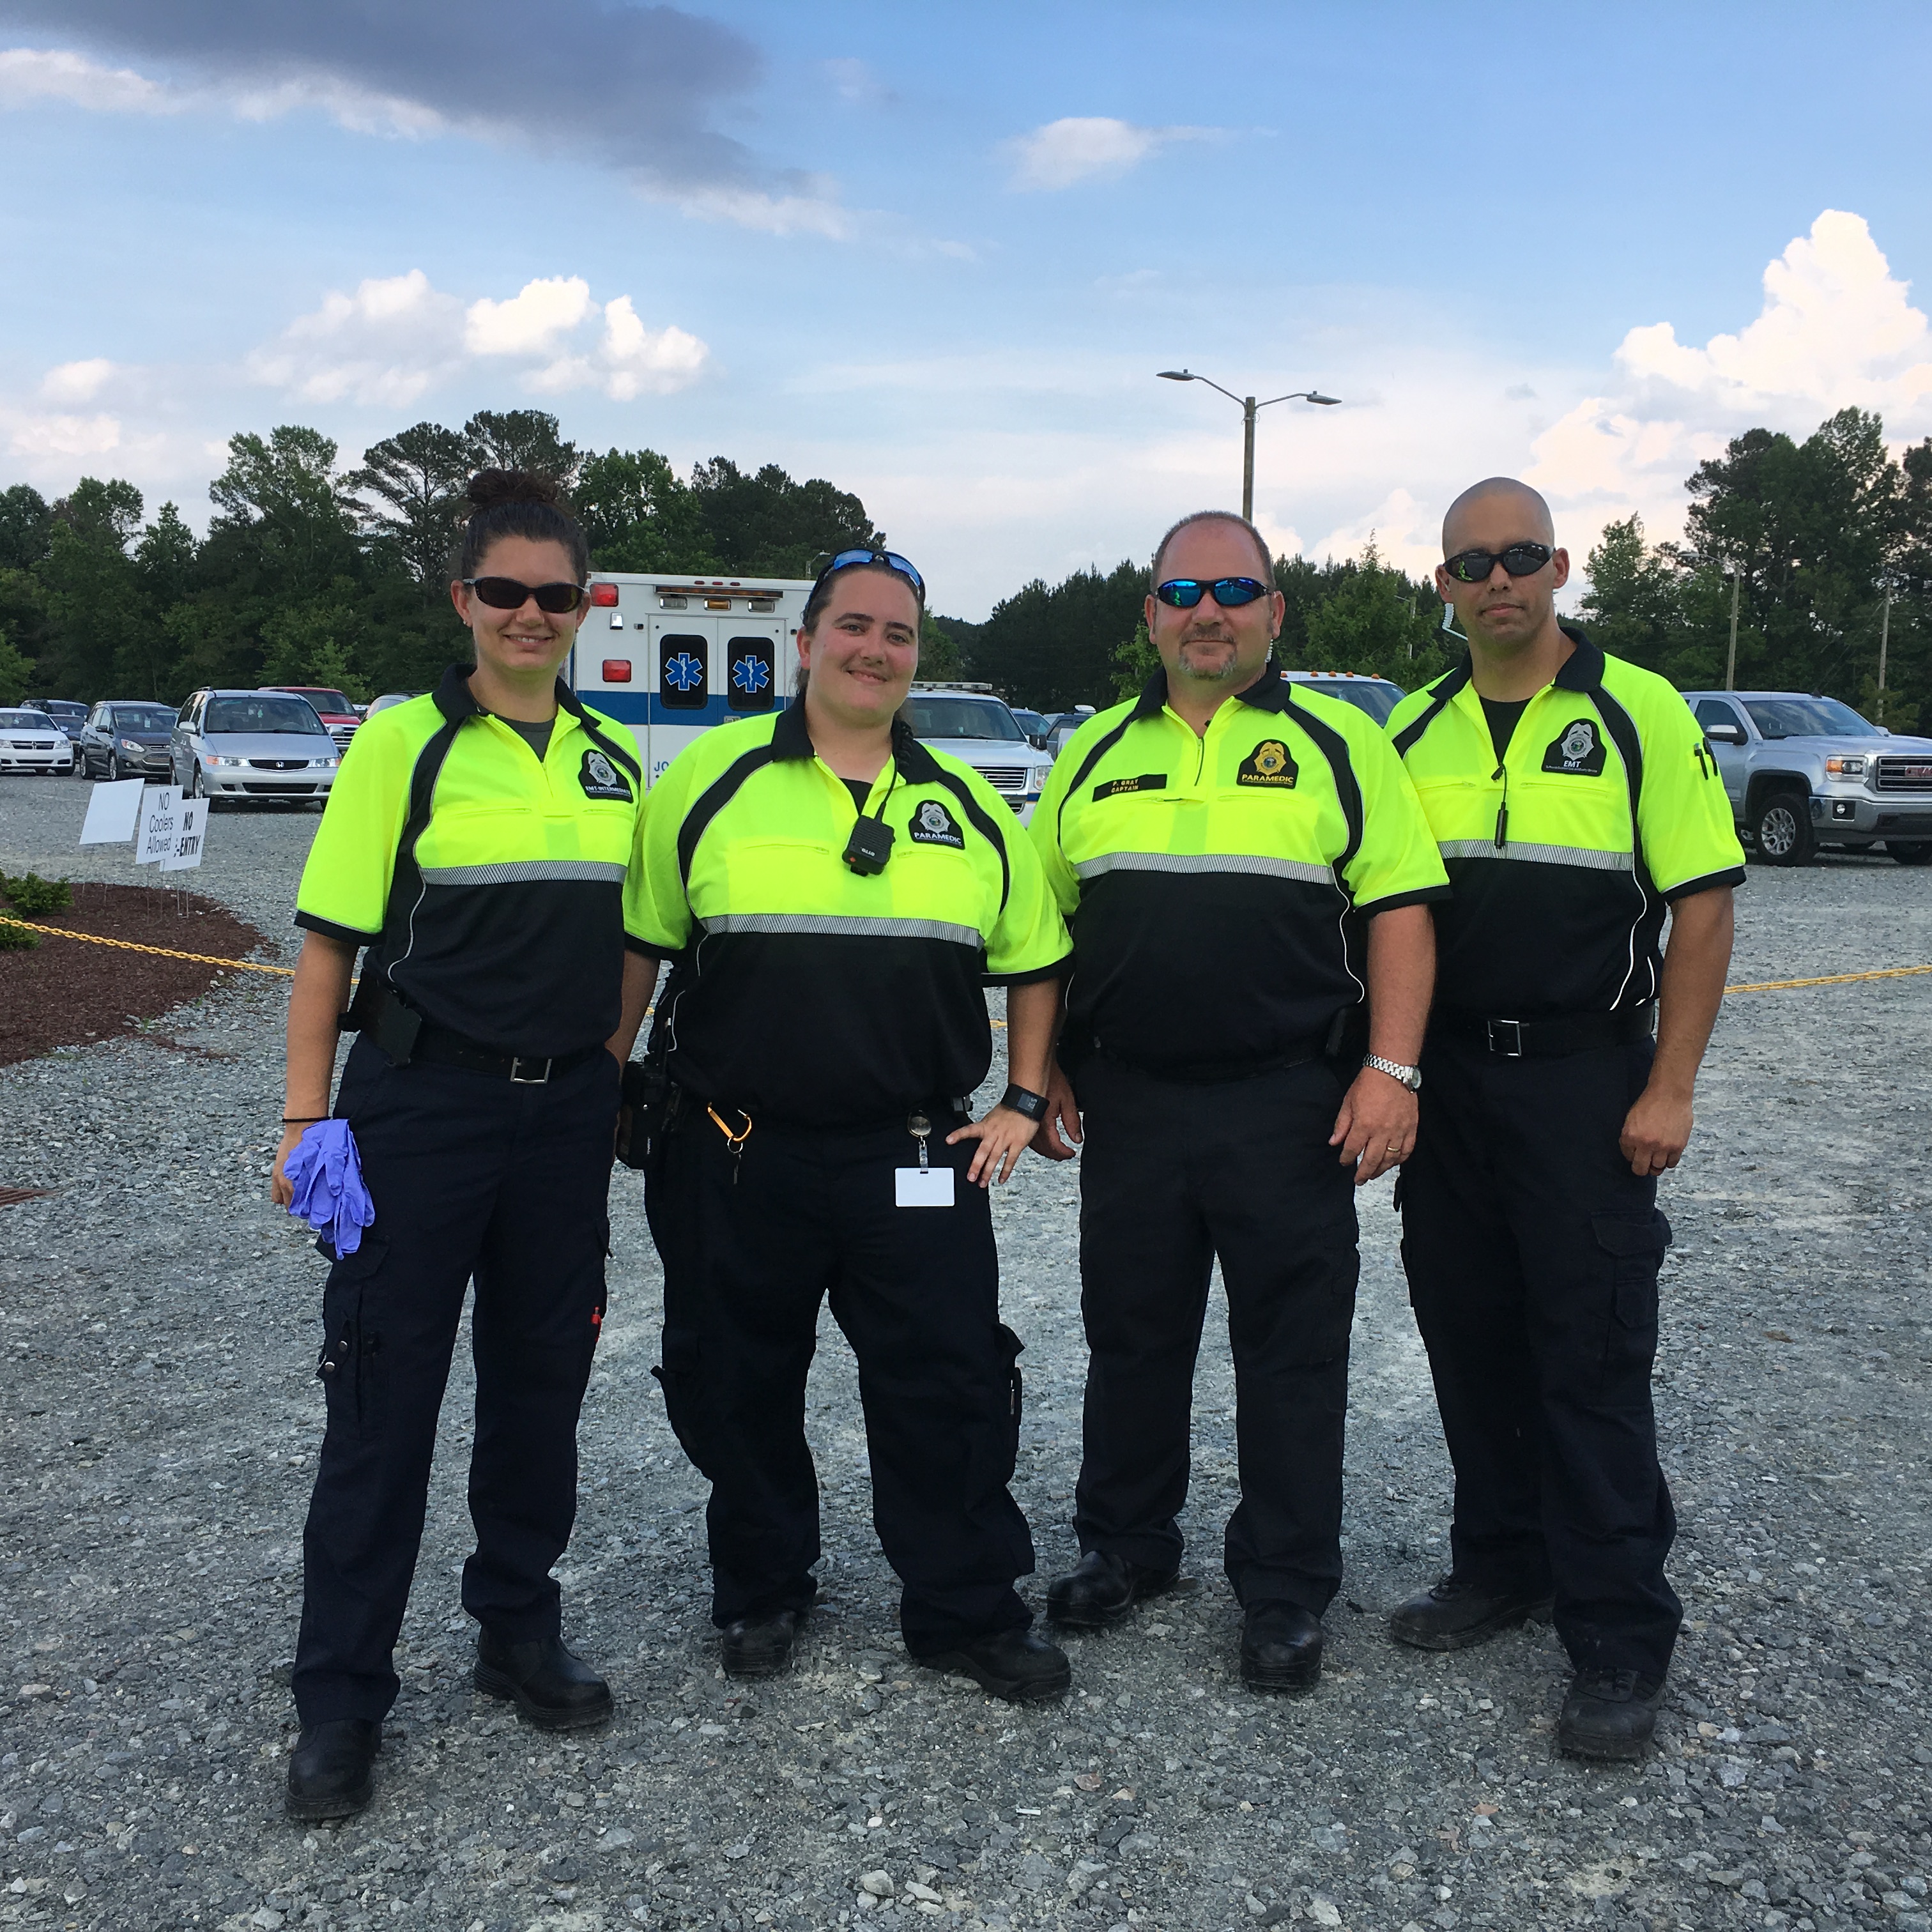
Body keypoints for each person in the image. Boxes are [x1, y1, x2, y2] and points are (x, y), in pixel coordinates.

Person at [271, 470, 657, 1820]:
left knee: (539, 1385)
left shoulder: (616, 759)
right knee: (382, 1403)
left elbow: (635, 944)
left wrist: (606, 1068)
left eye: (558, 595)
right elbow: (331, 943)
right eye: (507, 592)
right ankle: (339, 1699)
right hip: (421, 1114)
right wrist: (306, 1115)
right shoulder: (405, 745)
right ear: (464, 599)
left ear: (585, 606)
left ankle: (515, 1628)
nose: (532, 615)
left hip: (562, 1118)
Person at [632, 548, 1076, 1703]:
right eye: (854, 627)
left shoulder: (970, 807)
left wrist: (1024, 1101)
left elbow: (1037, 960)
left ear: (918, 656)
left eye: (900, 634)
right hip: (737, 1153)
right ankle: (765, 1585)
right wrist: (598, 1083)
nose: (876, 649)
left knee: (950, 1384)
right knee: (735, 1381)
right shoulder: (708, 781)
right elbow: (641, 946)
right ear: (806, 643)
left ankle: (966, 1606)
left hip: (916, 1157)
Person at [1030, 509, 1448, 1693]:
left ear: (1275, 610)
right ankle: (1127, 1548)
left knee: (1293, 1353)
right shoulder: (1093, 750)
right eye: (1183, 591)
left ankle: (1284, 1586)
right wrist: (1045, 1065)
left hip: (1289, 1101)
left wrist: (1394, 1069)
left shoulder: (1342, 745)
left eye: (1234, 589)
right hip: (1133, 1102)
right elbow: (1043, 928)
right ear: (1150, 614)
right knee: (1131, 1337)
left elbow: (1402, 911)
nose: (1207, 611)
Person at [1384, 477, 1744, 1761]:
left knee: (1589, 1355)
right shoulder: (1411, 731)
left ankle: (1620, 1634)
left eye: (1519, 556)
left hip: (1587, 1083)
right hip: (1453, 1087)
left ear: (1560, 565)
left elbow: (1702, 905)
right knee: (1471, 1338)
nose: (1498, 580)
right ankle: (1501, 1563)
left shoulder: (1640, 713)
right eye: (1472, 562)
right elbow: (1380, 918)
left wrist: (1673, 1083)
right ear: (1445, 586)